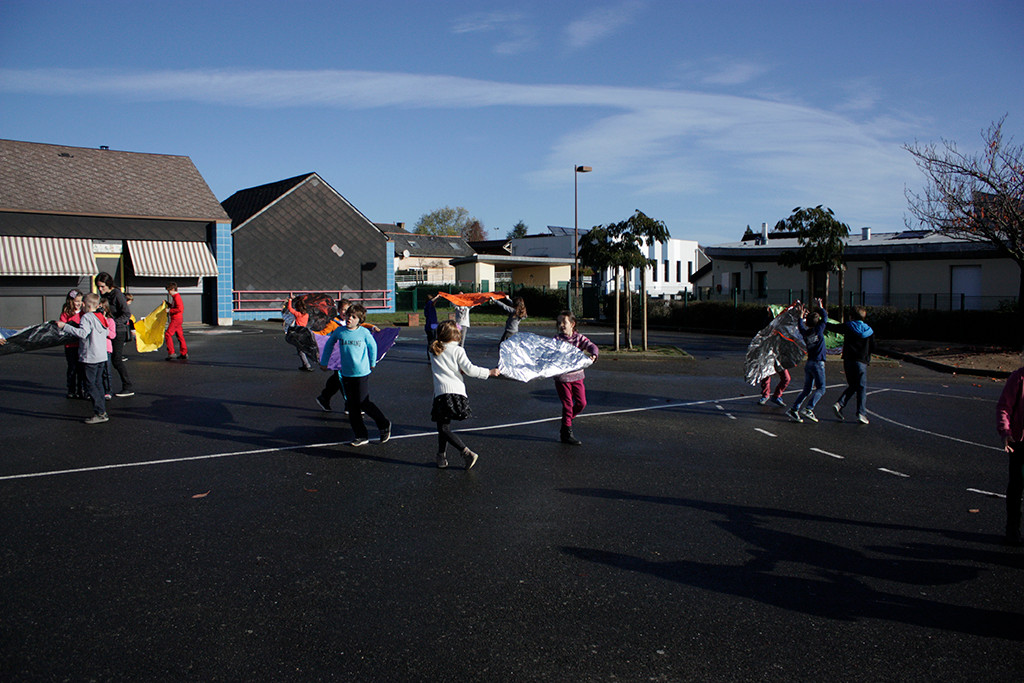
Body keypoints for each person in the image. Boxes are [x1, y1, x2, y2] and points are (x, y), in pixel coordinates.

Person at [429, 320, 499, 469]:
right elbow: (470, 370)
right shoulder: (458, 350)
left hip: (442, 394)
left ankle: (464, 452)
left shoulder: (434, 350)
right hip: (456, 393)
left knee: (443, 428)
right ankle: (441, 456)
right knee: (444, 427)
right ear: (455, 335)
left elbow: (446, 364)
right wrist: (489, 372)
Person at [319, 303, 391, 447]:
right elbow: (329, 345)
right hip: (346, 373)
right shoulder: (340, 331)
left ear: (360, 320)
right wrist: (324, 361)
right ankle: (361, 435)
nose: (349, 319)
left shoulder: (364, 332)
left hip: (362, 373)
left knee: (364, 402)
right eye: (348, 316)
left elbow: (372, 346)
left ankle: (383, 424)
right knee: (352, 406)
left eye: (353, 317)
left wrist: (372, 362)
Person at [56, 293, 111, 424]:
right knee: (98, 384)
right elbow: (107, 332)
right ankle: (102, 410)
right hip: (101, 355)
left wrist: (65, 326)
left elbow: (82, 333)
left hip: (90, 356)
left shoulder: (86, 317)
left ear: (84, 304)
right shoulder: (101, 317)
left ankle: (100, 412)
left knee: (90, 385)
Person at [553, 310, 599, 446]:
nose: (561, 325)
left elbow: (591, 346)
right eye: (559, 322)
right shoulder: (556, 340)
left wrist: (593, 354)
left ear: (572, 324)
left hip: (577, 376)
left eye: (564, 322)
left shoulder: (578, 338)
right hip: (562, 378)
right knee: (567, 405)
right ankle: (567, 433)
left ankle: (565, 422)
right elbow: (549, 354)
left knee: (581, 403)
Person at [829, 306, 875, 424]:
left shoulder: (848, 327)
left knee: (853, 385)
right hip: (861, 361)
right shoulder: (869, 331)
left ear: (851, 317)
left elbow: (833, 327)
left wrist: (821, 318)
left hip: (848, 360)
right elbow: (872, 347)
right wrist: (867, 359)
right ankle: (861, 413)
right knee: (861, 387)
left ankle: (840, 404)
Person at [787, 299, 828, 423]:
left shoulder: (806, 333)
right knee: (821, 388)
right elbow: (825, 317)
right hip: (818, 362)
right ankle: (809, 408)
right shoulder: (819, 330)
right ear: (817, 323)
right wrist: (820, 307)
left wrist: (800, 317)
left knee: (807, 389)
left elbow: (800, 326)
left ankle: (794, 409)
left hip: (809, 363)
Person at [997, 360, 1024, 547]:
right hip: (1020, 442)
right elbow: (1004, 407)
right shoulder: (1018, 378)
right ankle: (1012, 528)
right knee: (1017, 484)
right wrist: (1005, 432)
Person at [94, 272, 134, 397]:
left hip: (118, 330)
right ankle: (104, 387)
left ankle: (127, 386)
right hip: (108, 330)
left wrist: (113, 323)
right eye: (98, 287)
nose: (100, 289)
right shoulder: (104, 296)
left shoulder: (117, 294)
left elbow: (126, 313)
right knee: (104, 359)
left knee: (116, 359)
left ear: (108, 285)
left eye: (102, 287)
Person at [58, 289, 86, 399]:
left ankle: (81, 389)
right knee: (72, 368)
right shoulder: (66, 313)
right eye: (76, 301)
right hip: (70, 345)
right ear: (71, 301)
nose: (78, 303)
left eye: (80, 301)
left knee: (81, 368)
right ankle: (71, 389)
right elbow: (62, 326)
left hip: (82, 344)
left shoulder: (84, 312)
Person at [287, 295, 317, 371]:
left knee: (300, 350)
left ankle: (307, 365)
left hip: (298, 332)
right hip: (305, 331)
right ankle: (305, 364)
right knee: (304, 348)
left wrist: (290, 300)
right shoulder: (306, 315)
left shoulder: (298, 314)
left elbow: (290, 309)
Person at [164, 282, 188, 360]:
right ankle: (184, 353)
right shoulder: (175, 297)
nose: (169, 293)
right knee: (180, 336)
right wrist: (169, 304)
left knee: (168, 334)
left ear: (173, 289)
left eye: (169, 291)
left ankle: (171, 352)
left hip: (176, 319)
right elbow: (176, 307)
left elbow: (180, 309)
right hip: (178, 319)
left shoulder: (176, 297)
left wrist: (170, 310)